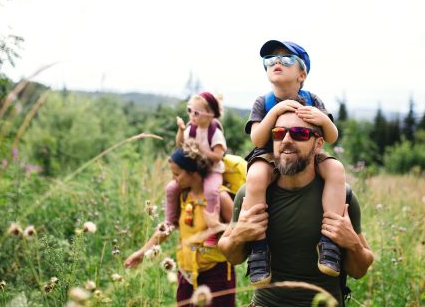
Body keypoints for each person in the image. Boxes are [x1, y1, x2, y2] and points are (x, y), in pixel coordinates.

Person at [218, 112, 374, 306]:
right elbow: (231, 256)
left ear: (318, 145)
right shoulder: (251, 194)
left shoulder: (342, 197)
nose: (286, 140)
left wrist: (352, 244)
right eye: (278, 133)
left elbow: (359, 271)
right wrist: (238, 236)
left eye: (299, 133)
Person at [243, 40, 347, 285]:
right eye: (270, 60)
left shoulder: (312, 99)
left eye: (286, 59)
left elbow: (331, 137)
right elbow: (258, 139)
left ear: (302, 74)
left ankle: (329, 242)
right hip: (269, 154)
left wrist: (322, 118)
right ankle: (259, 248)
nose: (276, 62)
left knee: (335, 168)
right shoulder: (263, 102)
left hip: (305, 152)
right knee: (256, 177)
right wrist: (275, 114)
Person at [125, 142, 236, 306]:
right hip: (186, 274)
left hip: (216, 274)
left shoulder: (220, 197)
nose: (174, 180)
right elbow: (167, 227)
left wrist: (218, 226)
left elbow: (242, 230)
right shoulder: (182, 195)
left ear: (194, 173)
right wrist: (142, 253)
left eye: (177, 174)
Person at [165, 92, 227, 246]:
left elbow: (218, 156)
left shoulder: (215, 132)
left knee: (211, 191)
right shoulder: (191, 129)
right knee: (172, 188)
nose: (192, 115)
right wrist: (181, 130)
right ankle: (170, 221)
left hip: (212, 170)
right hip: (196, 170)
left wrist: (202, 149)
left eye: (196, 113)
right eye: (189, 111)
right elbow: (180, 144)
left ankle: (213, 229)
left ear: (210, 115)